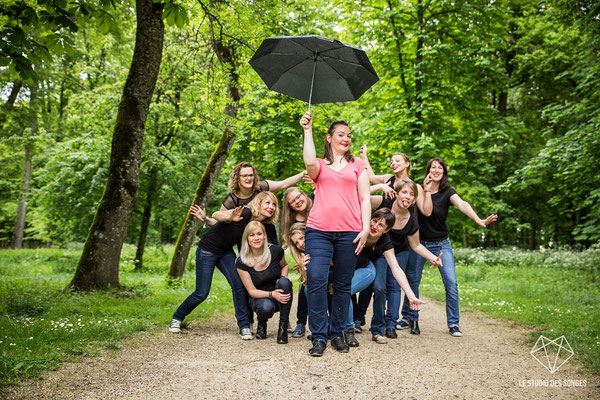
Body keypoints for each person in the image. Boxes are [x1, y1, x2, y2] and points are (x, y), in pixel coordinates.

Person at [300, 111, 371, 356]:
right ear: (329, 138)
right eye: (341, 134)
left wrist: (364, 228)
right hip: (318, 231)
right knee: (317, 280)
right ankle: (318, 336)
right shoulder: (320, 165)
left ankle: (338, 333)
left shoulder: (357, 165)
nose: (346, 138)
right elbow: (309, 163)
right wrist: (307, 130)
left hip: (349, 232)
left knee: (342, 285)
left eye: (349, 135)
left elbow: (364, 199)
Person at [168, 191, 279, 339]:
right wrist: (229, 216)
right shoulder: (245, 212)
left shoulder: (264, 226)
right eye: (267, 203)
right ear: (258, 203)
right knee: (202, 292)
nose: (271, 206)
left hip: (226, 252)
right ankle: (177, 317)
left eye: (274, 204)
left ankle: (244, 326)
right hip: (208, 249)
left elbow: (274, 248)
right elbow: (216, 214)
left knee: (238, 286)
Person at [416, 157, 497, 337]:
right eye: (433, 167)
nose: (436, 170)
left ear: (444, 172)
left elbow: (463, 204)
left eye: (440, 168)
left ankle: (453, 324)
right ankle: (409, 318)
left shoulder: (447, 192)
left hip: (441, 244)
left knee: (451, 282)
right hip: (419, 244)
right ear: (428, 170)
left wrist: (478, 220)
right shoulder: (420, 189)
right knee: (413, 280)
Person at [343, 208, 426, 347]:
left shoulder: (386, 242)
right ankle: (352, 321)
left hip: (377, 259)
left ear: (386, 230)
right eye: (374, 221)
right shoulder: (357, 229)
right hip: (358, 259)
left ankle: (377, 330)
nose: (375, 226)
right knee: (347, 285)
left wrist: (410, 295)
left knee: (380, 288)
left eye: (381, 225)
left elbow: (396, 268)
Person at [370, 179, 442, 338]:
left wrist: (433, 257)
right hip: (382, 251)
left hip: (401, 252)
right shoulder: (384, 202)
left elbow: (416, 246)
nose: (407, 197)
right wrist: (379, 187)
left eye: (411, 195)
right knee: (379, 287)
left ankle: (391, 324)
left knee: (395, 286)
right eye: (404, 192)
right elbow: (359, 196)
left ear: (414, 200)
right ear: (396, 193)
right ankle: (378, 323)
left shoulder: (412, 220)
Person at [236, 221, 292, 344]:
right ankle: (262, 322)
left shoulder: (276, 251)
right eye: (252, 235)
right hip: (259, 297)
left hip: (278, 293)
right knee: (266, 307)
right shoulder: (242, 261)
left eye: (259, 234)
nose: (256, 238)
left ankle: (283, 326)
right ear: (247, 239)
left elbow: (285, 266)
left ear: (265, 235)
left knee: (285, 283)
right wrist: (272, 294)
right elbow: (251, 291)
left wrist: (282, 277)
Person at [287, 222, 309, 338]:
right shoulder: (302, 254)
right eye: (296, 243)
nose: (301, 244)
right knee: (304, 285)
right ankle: (301, 323)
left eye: (301, 238)